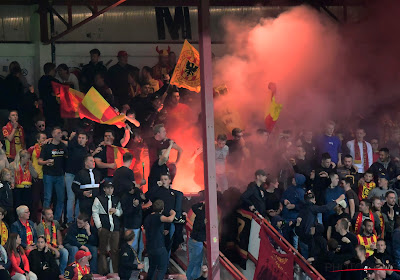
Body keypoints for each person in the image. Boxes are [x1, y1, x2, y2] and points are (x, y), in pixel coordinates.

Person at [92, 182, 122, 275]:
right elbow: (95, 212)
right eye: (108, 188)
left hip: (115, 228)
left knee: (115, 251)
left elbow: (121, 212)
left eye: (111, 188)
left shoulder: (117, 199)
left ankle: (115, 272)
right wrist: (99, 226)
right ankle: (103, 272)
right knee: (103, 250)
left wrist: (116, 211)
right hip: (104, 228)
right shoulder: (98, 199)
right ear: (104, 189)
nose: (110, 190)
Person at [38, 127, 67, 221]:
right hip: (48, 175)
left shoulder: (63, 145)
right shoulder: (47, 146)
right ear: (53, 135)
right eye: (58, 133)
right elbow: (39, 161)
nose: (60, 134)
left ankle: (56, 220)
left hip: (60, 175)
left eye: (61, 133)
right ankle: (45, 219)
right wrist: (46, 162)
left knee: (60, 198)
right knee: (47, 198)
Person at [143, 199, 176, 280]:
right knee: (162, 268)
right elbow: (169, 219)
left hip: (150, 247)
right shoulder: (159, 217)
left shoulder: (148, 217)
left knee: (152, 267)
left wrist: (160, 232)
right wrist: (173, 213)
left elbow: (145, 230)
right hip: (159, 246)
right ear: (162, 209)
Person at [121, 183, 150, 261]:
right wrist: (134, 206)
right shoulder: (124, 198)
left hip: (138, 224)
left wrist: (144, 199)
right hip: (130, 224)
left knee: (140, 247)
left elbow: (144, 198)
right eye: (130, 190)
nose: (132, 190)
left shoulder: (137, 192)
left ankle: (138, 262)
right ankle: (133, 264)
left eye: (133, 189)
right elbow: (126, 212)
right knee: (132, 246)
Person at [65, 132, 89, 224]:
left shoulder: (86, 150)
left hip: (80, 176)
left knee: (79, 197)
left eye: (83, 138)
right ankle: (70, 220)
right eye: (79, 137)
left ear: (86, 140)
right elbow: (64, 142)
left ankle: (77, 220)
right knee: (71, 198)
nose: (81, 139)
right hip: (70, 174)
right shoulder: (72, 145)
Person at [36, 208, 68, 274]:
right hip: (46, 247)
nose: (51, 215)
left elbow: (59, 235)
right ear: (44, 216)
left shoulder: (55, 223)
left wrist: (60, 244)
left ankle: (62, 273)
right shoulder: (40, 226)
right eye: (49, 214)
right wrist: (55, 250)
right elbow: (41, 242)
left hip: (55, 245)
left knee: (64, 251)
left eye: (52, 213)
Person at [27, 132, 47, 223]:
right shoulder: (32, 149)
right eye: (42, 138)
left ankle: (45, 219)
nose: (44, 140)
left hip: (46, 177)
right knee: (35, 200)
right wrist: (32, 173)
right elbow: (27, 161)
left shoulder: (47, 148)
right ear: (38, 140)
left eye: (45, 138)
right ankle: (34, 220)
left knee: (45, 200)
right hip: (36, 177)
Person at [186, 202, 206, 280]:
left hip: (191, 240)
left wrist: (201, 203)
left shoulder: (199, 213)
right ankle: (194, 278)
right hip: (197, 243)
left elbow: (194, 206)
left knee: (191, 262)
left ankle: (188, 277)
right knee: (197, 264)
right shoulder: (206, 219)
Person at [38, 62, 61, 127]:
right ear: (52, 70)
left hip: (44, 105)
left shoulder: (41, 80)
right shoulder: (54, 81)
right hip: (54, 106)